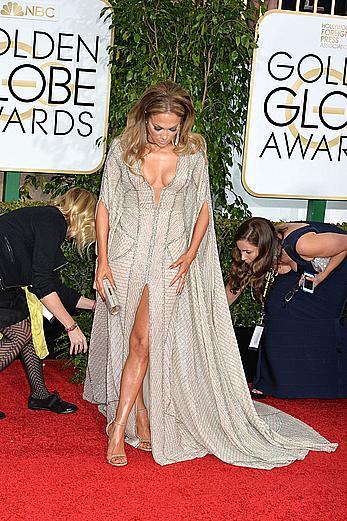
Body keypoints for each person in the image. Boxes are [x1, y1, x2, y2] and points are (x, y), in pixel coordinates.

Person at [84, 81, 337, 468]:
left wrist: (189, 254)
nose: (166, 135)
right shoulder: (122, 151)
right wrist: (102, 260)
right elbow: (105, 205)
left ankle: (119, 425)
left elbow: (203, 208)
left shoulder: (193, 154)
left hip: (170, 258)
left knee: (144, 339)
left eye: (173, 127)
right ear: (145, 120)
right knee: (131, 339)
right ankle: (135, 416)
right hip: (126, 254)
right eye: (159, 127)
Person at [0, 187, 97, 419]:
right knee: (20, 334)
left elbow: (54, 285)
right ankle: (40, 395)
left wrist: (95, 306)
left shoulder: (47, 221)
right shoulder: (52, 221)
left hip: (6, 279)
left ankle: (40, 395)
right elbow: (42, 285)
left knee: (24, 331)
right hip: (2, 277)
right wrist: (71, 327)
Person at [227, 217, 347, 399]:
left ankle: (327, 382)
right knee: (275, 306)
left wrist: (322, 276)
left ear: (265, 246)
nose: (243, 256)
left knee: (312, 319)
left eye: (247, 252)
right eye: (241, 250)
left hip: (336, 267)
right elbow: (236, 285)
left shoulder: (302, 244)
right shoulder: (267, 247)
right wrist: (215, 312)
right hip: (309, 266)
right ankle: (269, 381)